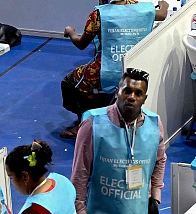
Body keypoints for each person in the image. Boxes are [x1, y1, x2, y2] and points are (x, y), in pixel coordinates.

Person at [62, 0, 166, 138]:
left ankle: (84, 123)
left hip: (107, 71)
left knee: (68, 82)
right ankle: (101, 106)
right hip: (135, 70)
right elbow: (162, 13)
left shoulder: (99, 14)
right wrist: (163, 4)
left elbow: (81, 44)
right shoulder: (142, 8)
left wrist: (71, 32)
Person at [71, 68, 167, 214]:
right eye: (127, 91)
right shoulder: (93, 123)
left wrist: (154, 197)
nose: (132, 97)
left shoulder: (155, 123)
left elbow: (160, 160)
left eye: (138, 93)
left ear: (144, 99)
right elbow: (80, 172)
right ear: (117, 92)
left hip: (138, 208)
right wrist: (79, 209)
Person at [4, 141, 75, 213]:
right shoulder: (62, 180)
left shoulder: (33, 211)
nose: (12, 183)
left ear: (25, 176)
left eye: (11, 178)